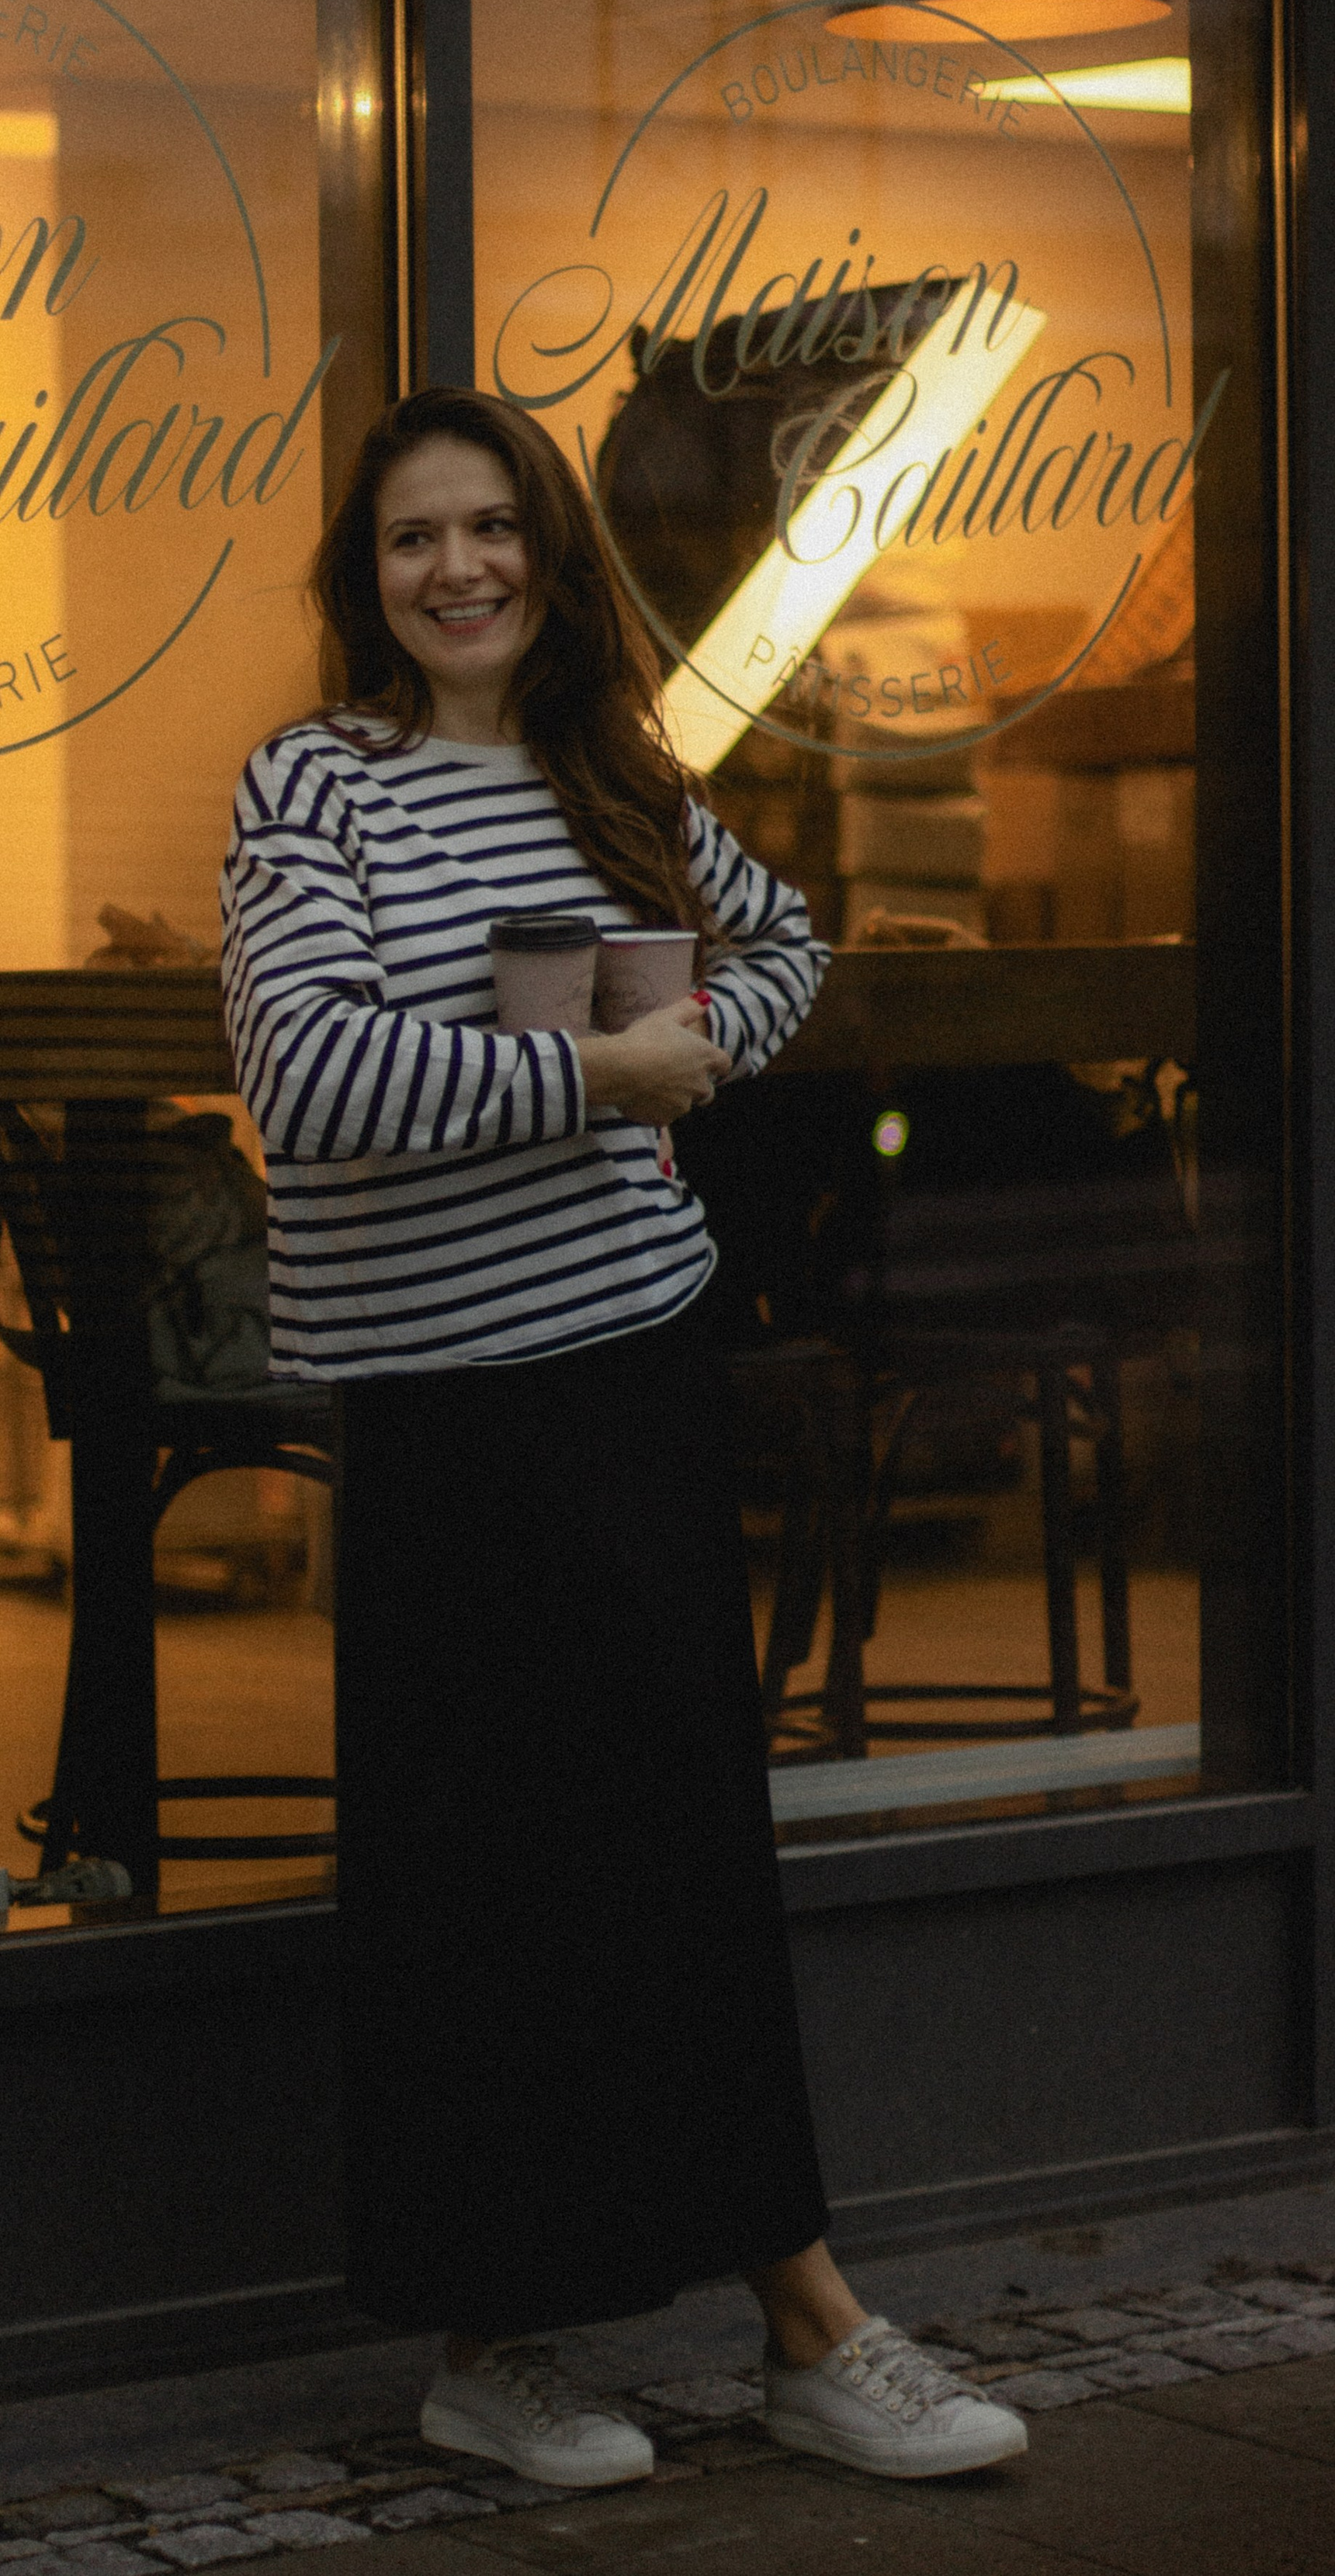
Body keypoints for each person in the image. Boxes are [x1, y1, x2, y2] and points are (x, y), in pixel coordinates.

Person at [218, 387, 1028, 2490]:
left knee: (679, 1855)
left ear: (550, 560)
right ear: (366, 576)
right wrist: (601, 1073)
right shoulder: (313, 786)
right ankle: (491, 2346)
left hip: (628, 1371)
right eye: (414, 538)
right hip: (443, 1415)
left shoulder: (615, 780)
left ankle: (807, 2323)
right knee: (480, 1873)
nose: (458, 568)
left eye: (494, 528)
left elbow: (790, 947)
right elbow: (306, 1076)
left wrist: (689, 1054)